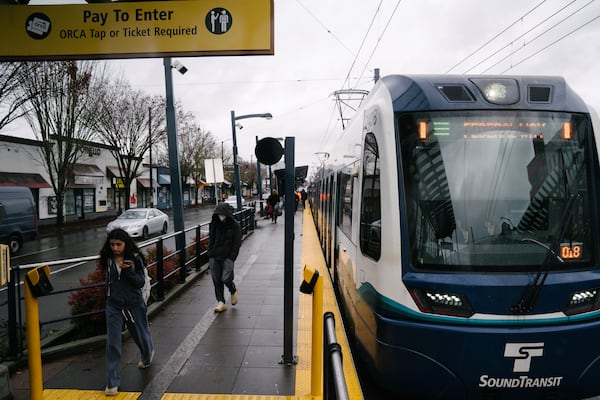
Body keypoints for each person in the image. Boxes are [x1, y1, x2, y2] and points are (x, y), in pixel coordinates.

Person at [99, 228, 154, 397]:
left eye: (119, 244)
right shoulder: (108, 259)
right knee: (113, 343)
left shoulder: (135, 259)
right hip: (113, 305)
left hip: (134, 304)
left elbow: (139, 282)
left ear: (126, 244)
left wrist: (128, 270)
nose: (115, 248)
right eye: (112, 245)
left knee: (140, 334)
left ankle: (147, 353)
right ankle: (112, 382)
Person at [207, 202, 241, 313]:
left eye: (222, 214)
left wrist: (231, 257)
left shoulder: (235, 225)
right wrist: (210, 253)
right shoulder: (214, 224)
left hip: (227, 257)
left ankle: (233, 289)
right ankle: (220, 302)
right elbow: (211, 238)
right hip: (215, 255)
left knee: (226, 278)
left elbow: (236, 243)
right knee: (216, 280)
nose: (220, 216)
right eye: (218, 214)